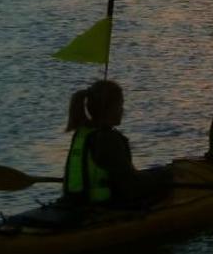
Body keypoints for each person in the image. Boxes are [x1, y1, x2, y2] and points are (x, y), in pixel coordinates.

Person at [62, 79, 172, 207]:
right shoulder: (107, 139)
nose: (122, 110)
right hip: (102, 205)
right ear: (110, 108)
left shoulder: (82, 133)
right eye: (120, 105)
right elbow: (131, 187)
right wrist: (163, 175)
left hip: (77, 202)